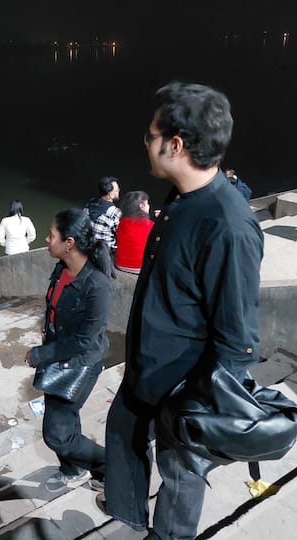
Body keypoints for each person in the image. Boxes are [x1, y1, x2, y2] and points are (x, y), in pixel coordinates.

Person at [102, 83, 263, 539]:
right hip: (151, 363)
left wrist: (198, 407)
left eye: (150, 136)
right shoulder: (181, 200)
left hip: (184, 383)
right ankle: (131, 515)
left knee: (180, 475)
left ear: (175, 145)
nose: (145, 144)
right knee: (123, 433)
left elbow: (238, 337)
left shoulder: (228, 225)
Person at [25, 208, 112, 493]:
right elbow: (54, 306)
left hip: (79, 365)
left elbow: (84, 341)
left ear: (69, 243)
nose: (47, 240)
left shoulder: (96, 286)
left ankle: (110, 466)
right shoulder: (62, 268)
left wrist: (39, 355)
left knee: (57, 436)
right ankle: (73, 469)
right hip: (57, 356)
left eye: (52, 235)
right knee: (65, 421)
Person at [114, 191, 154, 274]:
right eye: (147, 203)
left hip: (120, 264)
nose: (148, 206)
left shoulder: (120, 222)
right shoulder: (151, 225)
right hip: (140, 267)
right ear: (141, 206)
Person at [84, 176, 122, 252]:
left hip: (86, 248)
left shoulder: (90, 204)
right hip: (105, 253)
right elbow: (120, 235)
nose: (119, 191)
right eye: (117, 190)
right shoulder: (115, 212)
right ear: (111, 194)